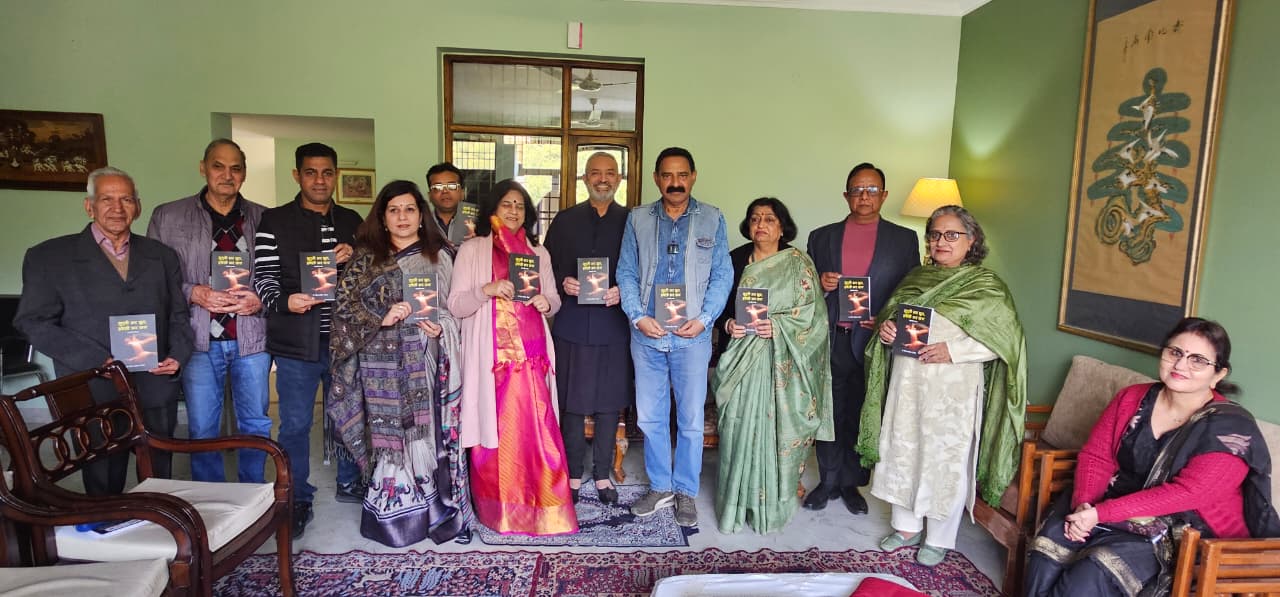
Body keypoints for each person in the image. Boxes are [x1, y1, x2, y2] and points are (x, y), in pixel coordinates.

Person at [1025, 317, 1280, 596]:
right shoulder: (1131, 398)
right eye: (1175, 352)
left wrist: (1099, 514)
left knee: (1095, 572)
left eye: (1198, 360)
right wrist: (1083, 505)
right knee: (1049, 549)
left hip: (1186, 530)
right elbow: (1097, 456)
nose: (1181, 365)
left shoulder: (1231, 429)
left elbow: (1188, 493)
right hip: (1112, 503)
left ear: (1218, 374)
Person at [858, 205, 1026, 567]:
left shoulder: (987, 287)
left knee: (944, 459)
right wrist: (887, 331)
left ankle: (938, 537)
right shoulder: (916, 278)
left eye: (952, 235)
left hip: (953, 389)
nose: (941, 241)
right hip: (908, 382)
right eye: (935, 234)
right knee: (903, 450)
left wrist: (954, 351)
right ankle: (905, 527)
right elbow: (892, 318)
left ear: (972, 240)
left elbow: (1005, 342)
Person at [15, 166, 193, 495]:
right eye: (107, 199)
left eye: (126, 199)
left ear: (137, 207)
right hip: (92, 384)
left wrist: (178, 355)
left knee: (158, 472)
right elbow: (32, 322)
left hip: (154, 380)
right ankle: (106, 523)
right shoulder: (49, 257)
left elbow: (178, 315)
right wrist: (95, 359)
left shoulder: (161, 255)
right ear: (89, 206)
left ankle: (155, 521)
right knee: (102, 474)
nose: (117, 208)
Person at [327, 180, 472, 546]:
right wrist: (381, 316)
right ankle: (395, 513)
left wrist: (440, 326)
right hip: (380, 369)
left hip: (426, 360)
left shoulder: (440, 255)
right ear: (383, 217)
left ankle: (435, 509)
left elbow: (454, 309)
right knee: (389, 439)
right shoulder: (366, 259)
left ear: (421, 215)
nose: (402, 217)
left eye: (409, 209)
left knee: (426, 434)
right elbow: (344, 311)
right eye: (394, 210)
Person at [447, 179, 577, 536]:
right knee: (495, 435)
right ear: (493, 208)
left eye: (520, 205)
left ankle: (547, 508)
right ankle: (500, 510)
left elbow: (554, 299)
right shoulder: (473, 249)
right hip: (490, 360)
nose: (514, 210)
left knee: (540, 432)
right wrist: (485, 290)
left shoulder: (538, 252)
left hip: (532, 359)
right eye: (507, 203)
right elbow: (455, 305)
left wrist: (546, 302)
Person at [252, 142, 365, 538]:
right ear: (297, 175)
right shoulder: (274, 221)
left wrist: (357, 256)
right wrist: (286, 300)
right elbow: (263, 279)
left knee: (347, 416)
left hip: (343, 342)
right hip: (296, 344)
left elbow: (368, 279)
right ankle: (297, 496)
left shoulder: (352, 220)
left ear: (336, 176)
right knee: (296, 424)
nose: (320, 180)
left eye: (327, 172)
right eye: (311, 172)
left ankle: (350, 480)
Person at [617, 146, 733, 527]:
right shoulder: (637, 219)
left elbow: (722, 275)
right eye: (667, 175)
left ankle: (685, 490)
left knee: (690, 419)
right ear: (656, 179)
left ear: (693, 177)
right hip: (648, 336)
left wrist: (705, 319)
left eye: (682, 175)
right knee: (651, 417)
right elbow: (626, 272)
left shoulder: (712, 218)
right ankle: (660, 486)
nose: (675, 183)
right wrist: (637, 317)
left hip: (691, 338)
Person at [146, 139, 272, 484]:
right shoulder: (168, 216)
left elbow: (280, 275)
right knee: (203, 427)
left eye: (235, 168)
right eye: (218, 166)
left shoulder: (265, 218)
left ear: (244, 173)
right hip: (197, 338)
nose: (227, 175)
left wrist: (260, 299)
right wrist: (194, 292)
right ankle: (210, 495)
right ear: (203, 168)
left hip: (252, 338)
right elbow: (152, 277)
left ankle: (254, 493)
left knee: (256, 422)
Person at [712, 197, 833, 534]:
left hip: (782, 364)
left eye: (769, 219)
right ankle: (737, 502)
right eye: (755, 219)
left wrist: (777, 326)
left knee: (777, 428)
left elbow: (814, 317)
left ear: (782, 227)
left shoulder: (798, 263)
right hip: (741, 360)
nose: (761, 225)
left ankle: (774, 501)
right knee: (737, 426)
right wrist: (728, 324)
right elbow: (716, 304)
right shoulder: (734, 260)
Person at [804, 162, 919, 515]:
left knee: (862, 410)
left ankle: (852, 483)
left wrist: (888, 318)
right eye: (857, 190)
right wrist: (821, 285)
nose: (864, 196)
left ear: (883, 195)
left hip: (873, 341)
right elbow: (803, 289)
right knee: (829, 411)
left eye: (871, 190)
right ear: (846, 195)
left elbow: (911, 291)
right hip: (833, 338)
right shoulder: (821, 237)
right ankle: (827, 480)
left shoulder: (903, 239)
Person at [543, 152, 631, 505]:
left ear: (619, 179)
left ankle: (603, 474)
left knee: (610, 403)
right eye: (595, 173)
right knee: (572, 403)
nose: (602, 179)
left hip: (614, 323)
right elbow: (546, 266)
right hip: (573, 323)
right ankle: (574, 473)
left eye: (610, 173)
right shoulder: (565, 220)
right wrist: (563, 281)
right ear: (585, 178)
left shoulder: (632, 221)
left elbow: (645, 270)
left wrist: (624, 291)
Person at [426, 162, 470, 255]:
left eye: (452, 186)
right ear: (429, 196)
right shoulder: (421, 224)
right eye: (437, 187)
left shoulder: (478, 222)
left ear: (462, 193)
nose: (445, 191)